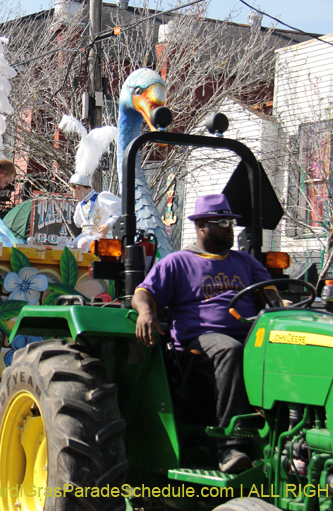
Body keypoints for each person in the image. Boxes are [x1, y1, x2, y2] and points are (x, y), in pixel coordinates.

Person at [132, 193, 277, 474]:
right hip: (199, 343)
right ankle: (231, 446)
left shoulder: (246, 262)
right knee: (230, 349)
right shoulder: (177, 262)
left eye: (231, 222)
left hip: (249, 334)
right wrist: (146, 312)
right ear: (201, 226)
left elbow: (271, 299)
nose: (230, 229)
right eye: (222, 222)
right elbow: (143, 293)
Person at [68, 174, 121, 252]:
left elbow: (121, 209)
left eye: (72, 191)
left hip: (101, 237)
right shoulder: (81, 204)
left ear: (78, 188)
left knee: (82, 244)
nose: (73, 195)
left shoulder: (101, 197)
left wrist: (108, 225)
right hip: (85, 237)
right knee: (69, 249)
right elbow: (78, 223)